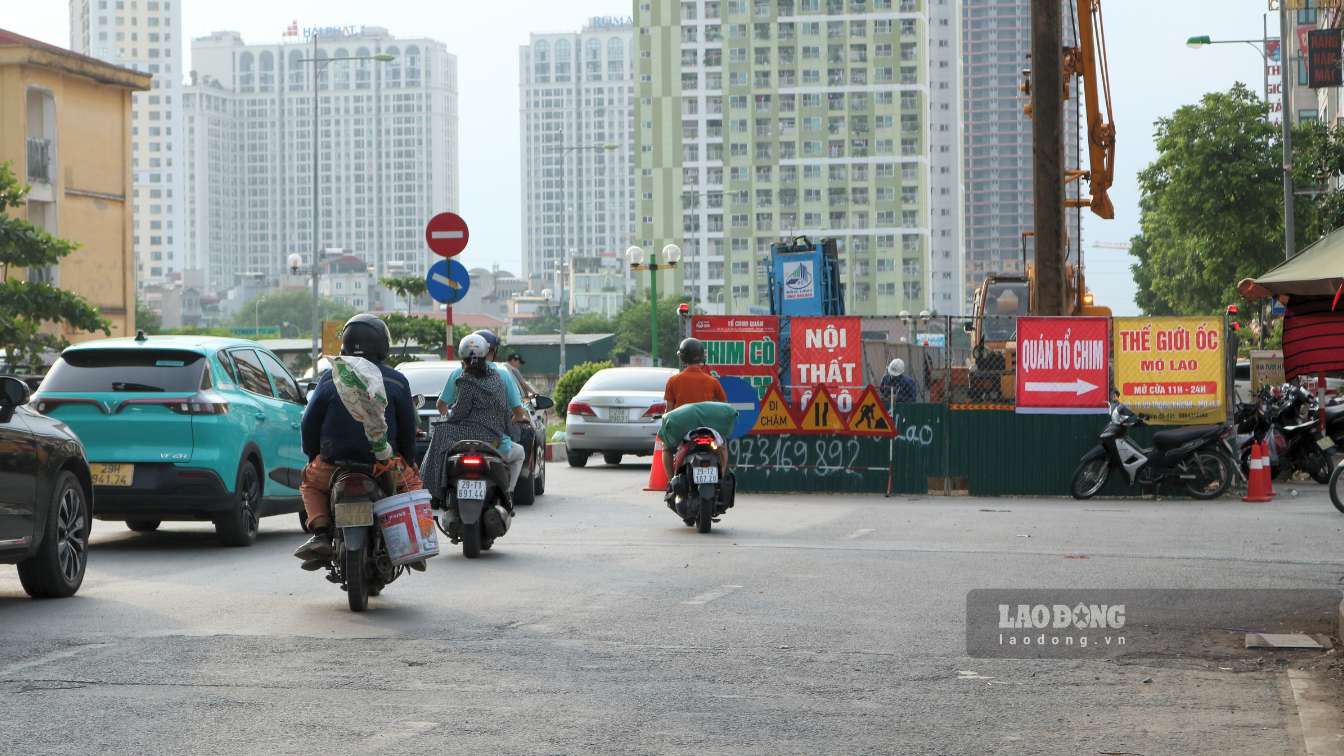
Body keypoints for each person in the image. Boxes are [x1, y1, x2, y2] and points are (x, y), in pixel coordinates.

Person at [294, 313, 424, 569]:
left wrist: (313, 456)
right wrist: (409, 460)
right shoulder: (397, 381)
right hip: (383, 466)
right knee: (413, 485)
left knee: (309, 483)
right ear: (383, 345)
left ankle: (321, 533)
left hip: (334, 464)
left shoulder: (330, 377)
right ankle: (413, 541)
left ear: (346, 343)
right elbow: (408, 428)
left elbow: (309, 422)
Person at [433, 333, 528, 501]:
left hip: (461, 442)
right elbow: (517, 412)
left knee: (438, 445)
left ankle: (436, 493)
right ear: (490, 352)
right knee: (519, 452)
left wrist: (447, 417)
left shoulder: (460, 376)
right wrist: (513, 420)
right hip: (495, 443)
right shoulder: (501, 376)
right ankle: (508, 494)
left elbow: (447, 408)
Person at [661, 337, 729, 485]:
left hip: (681, 428)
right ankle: (721, 477)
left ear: (682, 357)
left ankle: (672, 482)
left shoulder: (673, 381)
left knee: (666, 449)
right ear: (702, 357)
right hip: (707, 428)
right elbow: (724, 407)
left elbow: (669, 410)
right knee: (722, 448)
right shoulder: (712, 381)